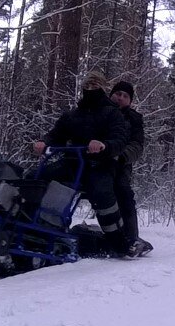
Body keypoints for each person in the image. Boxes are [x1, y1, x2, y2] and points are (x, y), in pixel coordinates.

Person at [34, 71, 133, 255]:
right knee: (37, 177)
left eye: (95, 85)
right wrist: (44, 142)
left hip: (99, 164)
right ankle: (35, 226)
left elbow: (120, 139)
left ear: (102, 88)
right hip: (72, 163)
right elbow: (57, 134)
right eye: (88, 85)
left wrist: (104, 145)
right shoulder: (72, 115)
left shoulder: (112, 114)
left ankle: (118, 239)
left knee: (102, 192)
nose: (91, 89)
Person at [110, 80, 153, 256]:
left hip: (119, 166)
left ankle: (131, 237)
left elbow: (137, 145)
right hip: (90, 162)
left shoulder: (134, 119)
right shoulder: (98, 112)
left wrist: (121, 156)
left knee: (124, 192)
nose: (120, 98)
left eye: (125, 96)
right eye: (118, 94)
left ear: (130, 100)